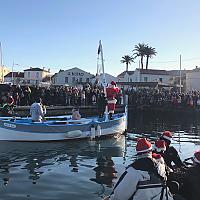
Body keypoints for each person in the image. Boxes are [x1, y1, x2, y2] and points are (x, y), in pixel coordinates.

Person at [104, 138, 173, 200]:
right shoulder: (161, 167)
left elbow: (119, 197)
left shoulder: (133, 172)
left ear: (137, 153)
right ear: (151, 151)